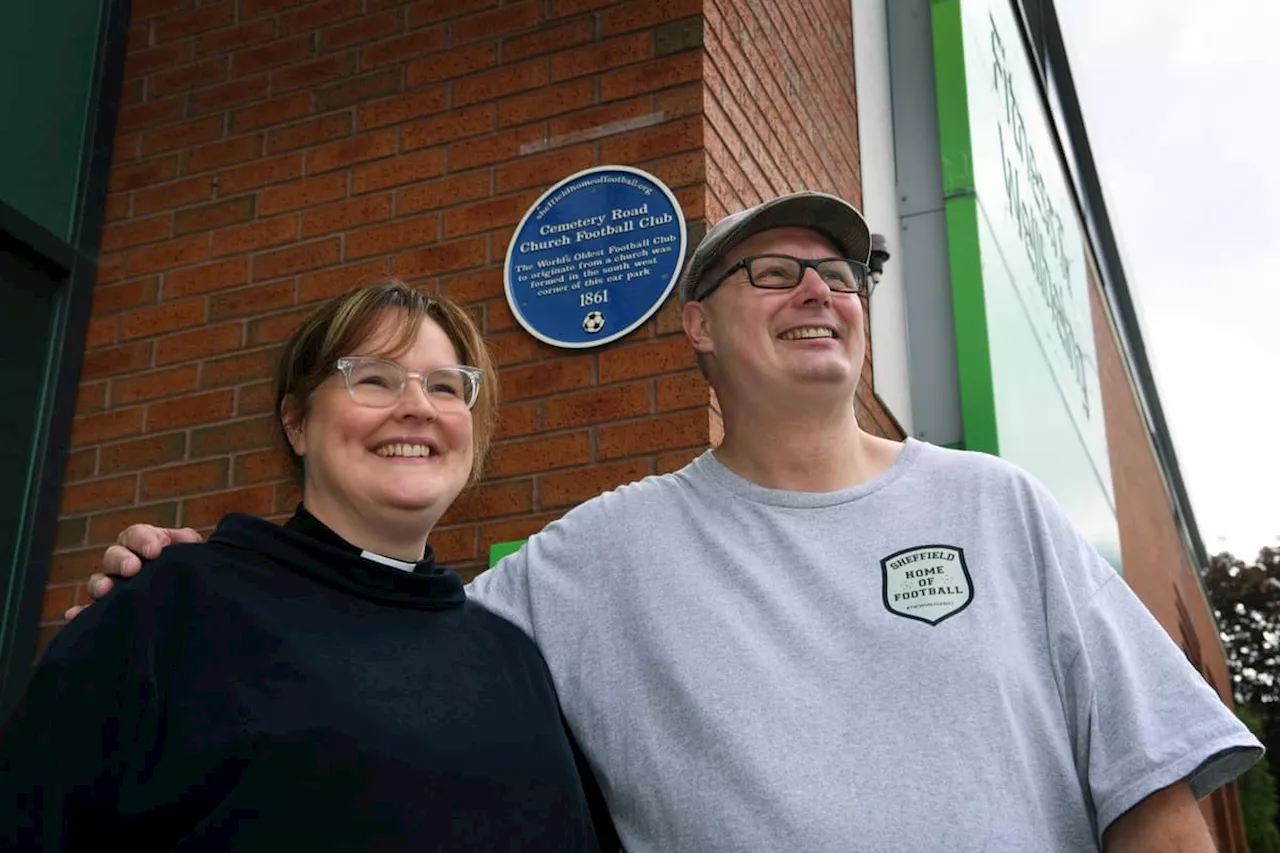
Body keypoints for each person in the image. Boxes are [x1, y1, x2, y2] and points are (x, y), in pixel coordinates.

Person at [81, 192, 1260, 851]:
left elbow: (1150, 797)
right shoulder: (595, 555)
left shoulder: (997, 505)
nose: (818, 290)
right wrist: (207, 579)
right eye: (772, 272)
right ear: (694, 325)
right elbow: (379, 640)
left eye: (842, 275)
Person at [0, 281, 612, 850]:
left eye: (447, 386)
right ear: (296, 422)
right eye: (374, 379)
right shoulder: (172, 606)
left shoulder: (513, 656)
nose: (418, 407)